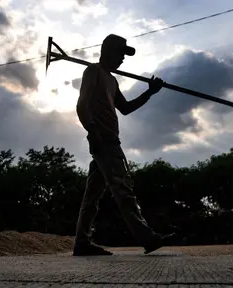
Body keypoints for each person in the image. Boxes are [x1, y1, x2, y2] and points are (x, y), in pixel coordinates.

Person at [73, 34, 175, 256]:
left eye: (124, 55)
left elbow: (126, 108)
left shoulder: (112, 80)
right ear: (106, 51)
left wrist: (150, 91)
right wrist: (93, 131)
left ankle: (81, 242)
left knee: (92, 196)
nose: (122, 59)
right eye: (120, 53)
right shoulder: (93, 72)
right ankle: (147, 238)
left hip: (109, 140)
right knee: (123, 189)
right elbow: (82, 105)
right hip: (104, 141)